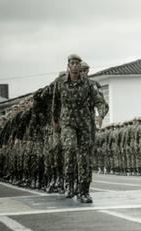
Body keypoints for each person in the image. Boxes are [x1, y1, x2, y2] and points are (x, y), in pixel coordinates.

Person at [51, 54, 108, 203]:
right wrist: (55, 120)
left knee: (84, 157)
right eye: (73, 63)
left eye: (78, 63)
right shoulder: (60, 83)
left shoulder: (88, 84)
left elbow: (101, 102)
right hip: (68, 122)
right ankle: (69, 183)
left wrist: (100, 116)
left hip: (84, 124)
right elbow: (55, 104)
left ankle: (84, 191)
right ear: (68, 65)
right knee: (69, 149)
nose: (76, 66)